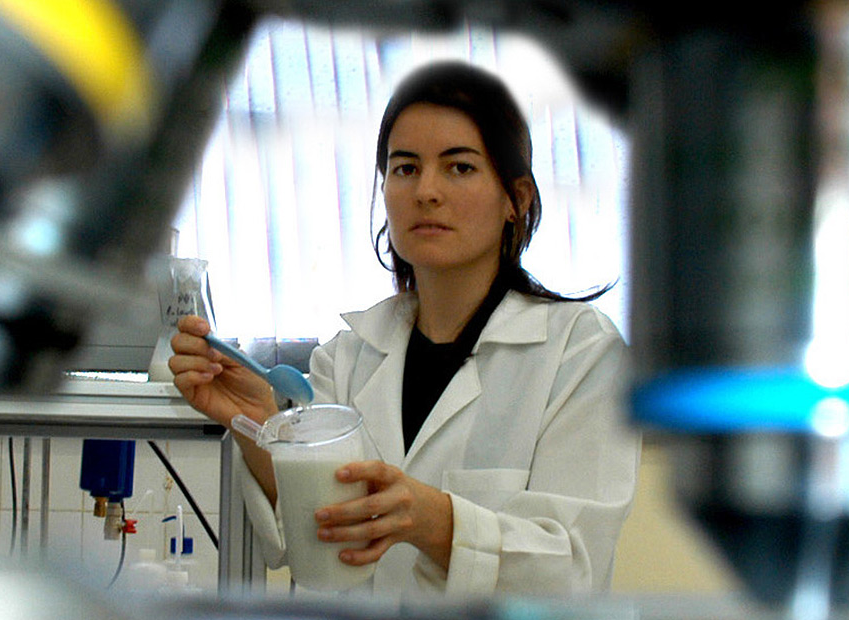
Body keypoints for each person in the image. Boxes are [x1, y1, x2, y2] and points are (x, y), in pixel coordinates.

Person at [168, 61, 640, 599]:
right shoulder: (347, 356)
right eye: (405, 167)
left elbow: (573, 566)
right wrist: (258, 421)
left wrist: (433, 519)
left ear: (517, 199)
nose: (426, 191)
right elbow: (316, 535)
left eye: (459, 167)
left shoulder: (582, 353)